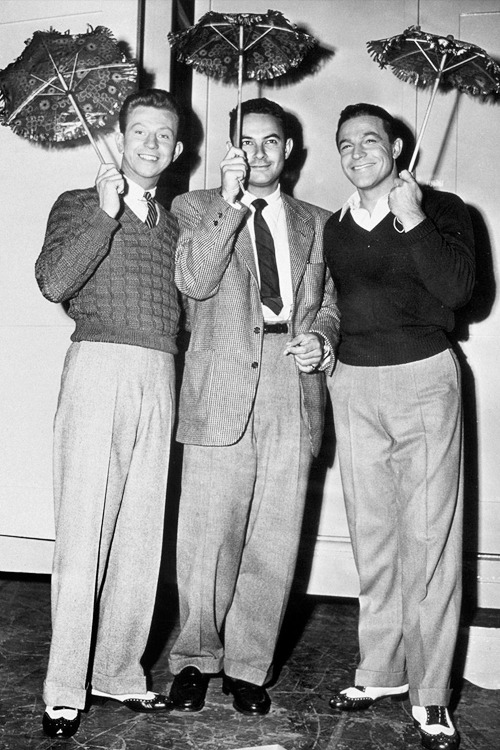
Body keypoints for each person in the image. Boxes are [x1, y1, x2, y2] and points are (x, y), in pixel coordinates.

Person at [167, 98, 339, 716]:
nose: (261, 152)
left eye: (273, 142)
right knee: (207, 534)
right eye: (248, 141)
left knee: (275, 532)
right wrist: (230, 205)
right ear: (232, 148)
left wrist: (323, 338)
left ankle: (247, 666)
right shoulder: (194, 208)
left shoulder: (319, 221)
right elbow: (194, 282)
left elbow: (328, 302)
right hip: (222, 385)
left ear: (289, 150)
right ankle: (192, 659)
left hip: (291, 383)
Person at [323, 103, 475, 750]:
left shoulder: (442, 210)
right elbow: (325, 302)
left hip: (425, 382)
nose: (358, 152)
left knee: (431, 543)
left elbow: (460, 291)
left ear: (397, 144)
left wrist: (412, 219)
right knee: (373, 536)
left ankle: (432, 692)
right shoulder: (333, 226)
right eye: (345, 144)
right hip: (354, 385)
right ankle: (381, 671)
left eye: (370, 140)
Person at [35, 88, 184, 738]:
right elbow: (54, 282)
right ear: (121, 139)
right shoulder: (77, 203)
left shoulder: (177, 221)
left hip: (161, 373)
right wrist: (102, 213)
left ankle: (119, 672)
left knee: (140, 534)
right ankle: (64, 687)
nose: (150, 145)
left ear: (177, 150)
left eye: (162, 136)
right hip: (97, 366)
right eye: (140, 132)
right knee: (83, 531)